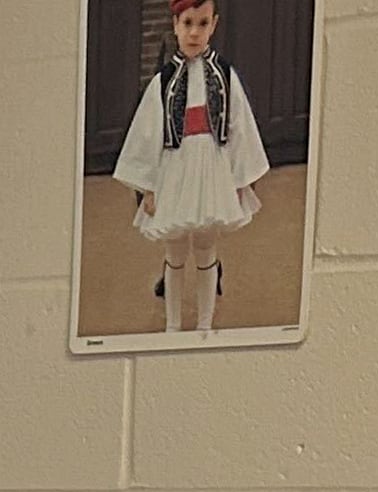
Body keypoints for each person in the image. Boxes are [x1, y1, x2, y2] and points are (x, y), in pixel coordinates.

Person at [111, 0, 269, 336]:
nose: (194, 32)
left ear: (214, 24)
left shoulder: (225, 77)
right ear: (175, 25)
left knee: (206, 247)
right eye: (187, 23)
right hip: (176, 168)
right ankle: (172, 325)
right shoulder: (164, 82)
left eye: (201, 23)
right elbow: (147, 134)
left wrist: (240, 179)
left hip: (211, 166)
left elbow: (240, 127)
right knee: (174, 248)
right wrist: (148, 187)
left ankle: (204, 324)